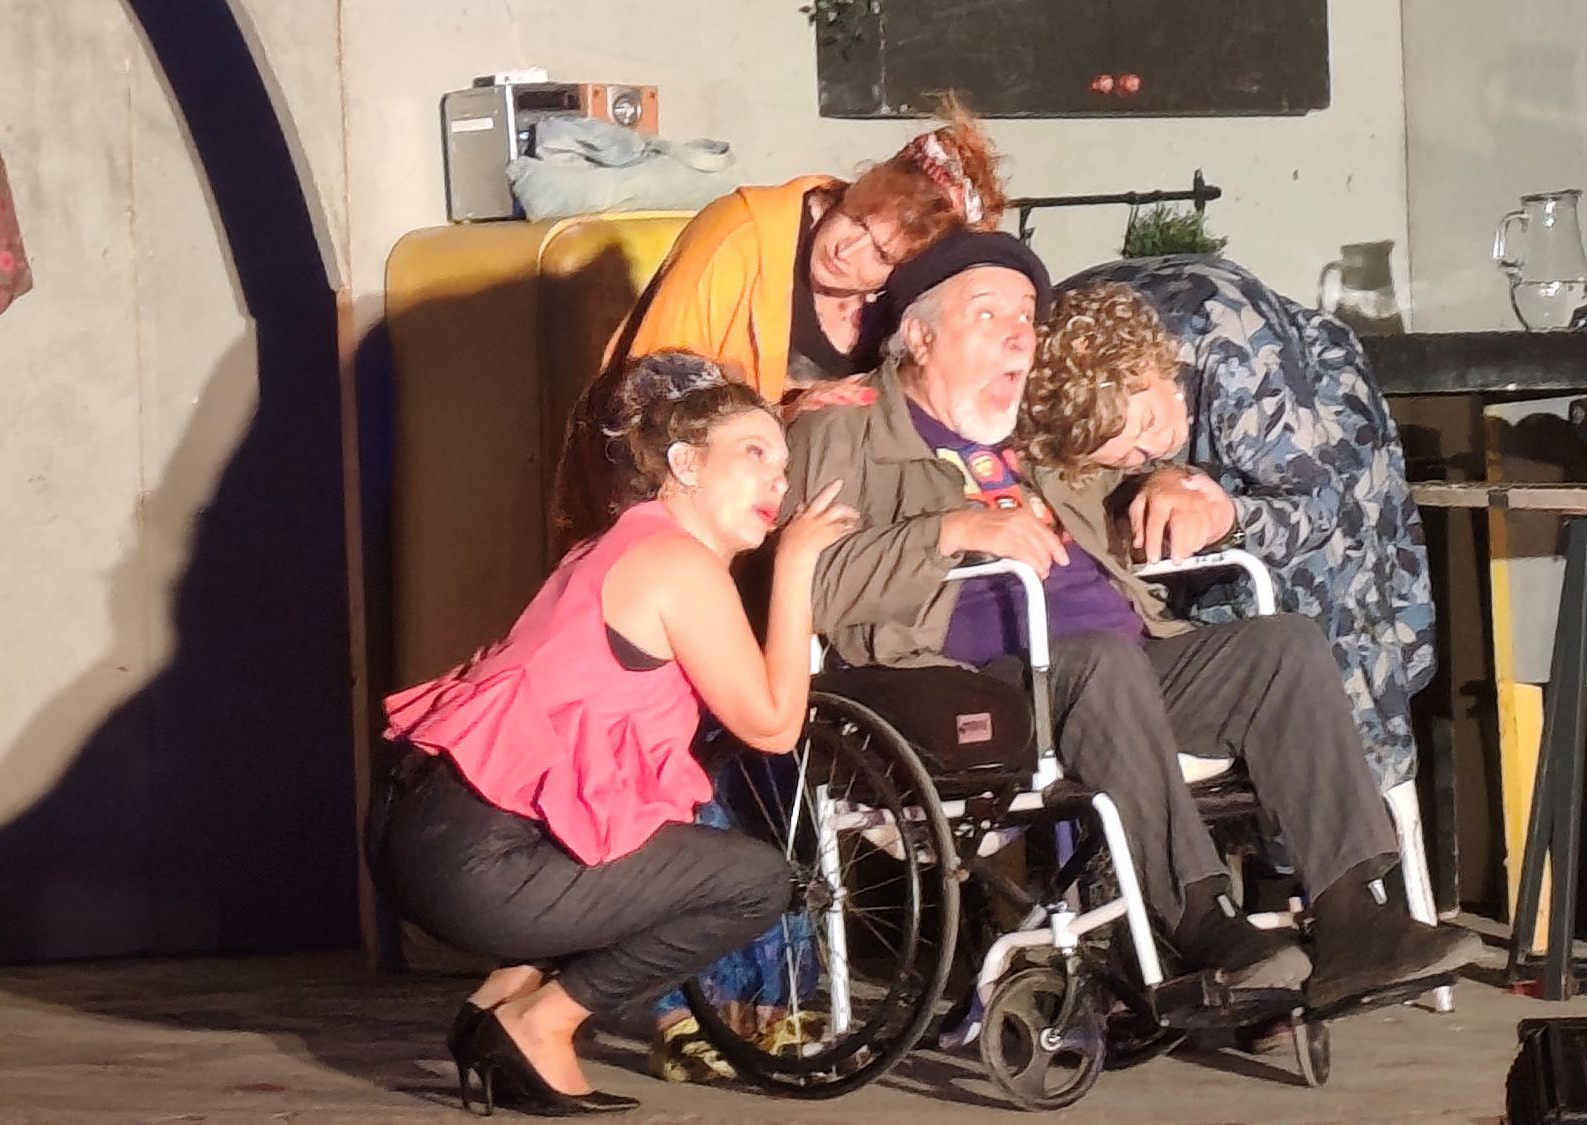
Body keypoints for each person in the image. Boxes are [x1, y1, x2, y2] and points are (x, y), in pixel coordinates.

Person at [782, 231, 1481, 1010]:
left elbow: (1125, 460)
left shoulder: (1032, 433)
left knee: (1282, 648)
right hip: (973, 690)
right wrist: (949, 532)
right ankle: (1195, 921)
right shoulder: (843, 430)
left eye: (1025, 315)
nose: (1018, 333)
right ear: (918, 335)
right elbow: (809, 584)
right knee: (1099, 662)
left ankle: (1354, 918)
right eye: (987, 314)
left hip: (1122, 673)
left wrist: (1175, 482)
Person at [368, 350, 857, 1116]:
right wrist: (796, 565)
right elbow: (772, 725)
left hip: (422, 828)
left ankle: (501, 1002)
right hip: (476, 857)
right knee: (757, 882)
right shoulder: (677, 563)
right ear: (686, 463)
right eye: (754, 453)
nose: (778, 480)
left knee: (646, 841)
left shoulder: (619, 541)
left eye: (785, 465)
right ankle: (542, 1022)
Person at [1019, 257, 1436, 792]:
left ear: (1150, 366)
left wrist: (1229, 518)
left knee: (1333, 596)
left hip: (1309, 409)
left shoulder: (1241, 359)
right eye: (1124, 456)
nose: (1152, 447)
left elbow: (1320, 506)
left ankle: (1364, 794)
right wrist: (1151, 481)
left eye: (1147, 423)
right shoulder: (1054, 378)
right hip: (1171, 381)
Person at [551, 98, 1008, 551]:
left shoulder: (906, 309)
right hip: (676, 522)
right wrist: (782, 414)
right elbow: (649, 416)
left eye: (881, 255)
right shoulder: (739, 234)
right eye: (854, 218)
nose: (846, 250)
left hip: (820, 528)